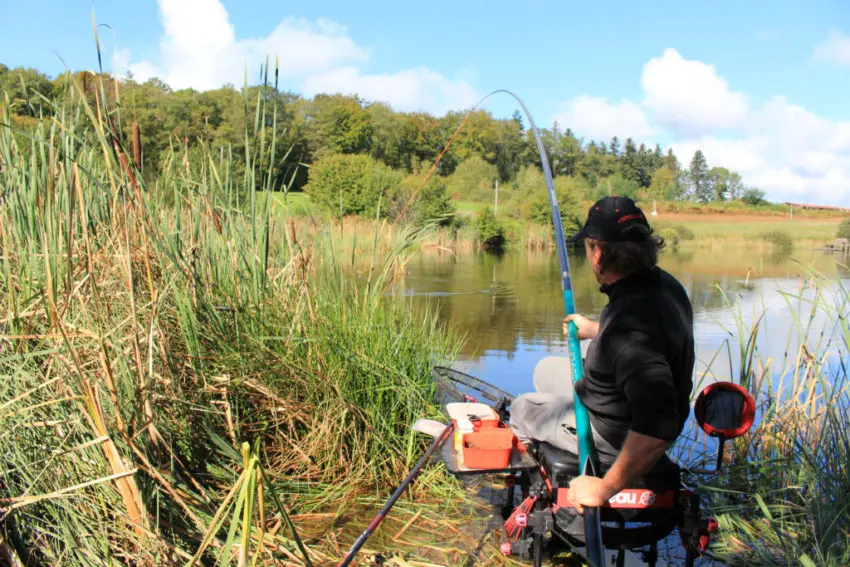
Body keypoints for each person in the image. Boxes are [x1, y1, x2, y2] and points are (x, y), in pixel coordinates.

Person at [509, 195, 695, 514]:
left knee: (522, 407)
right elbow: (654, 338)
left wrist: (604, 489)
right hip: (616, 401)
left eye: (589, 247)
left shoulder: (630, 333)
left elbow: (657, 427)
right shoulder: (663, 285)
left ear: (598, 254)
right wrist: (595, 329)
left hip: (615, 434)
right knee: (545, 369)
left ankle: (538, 493)